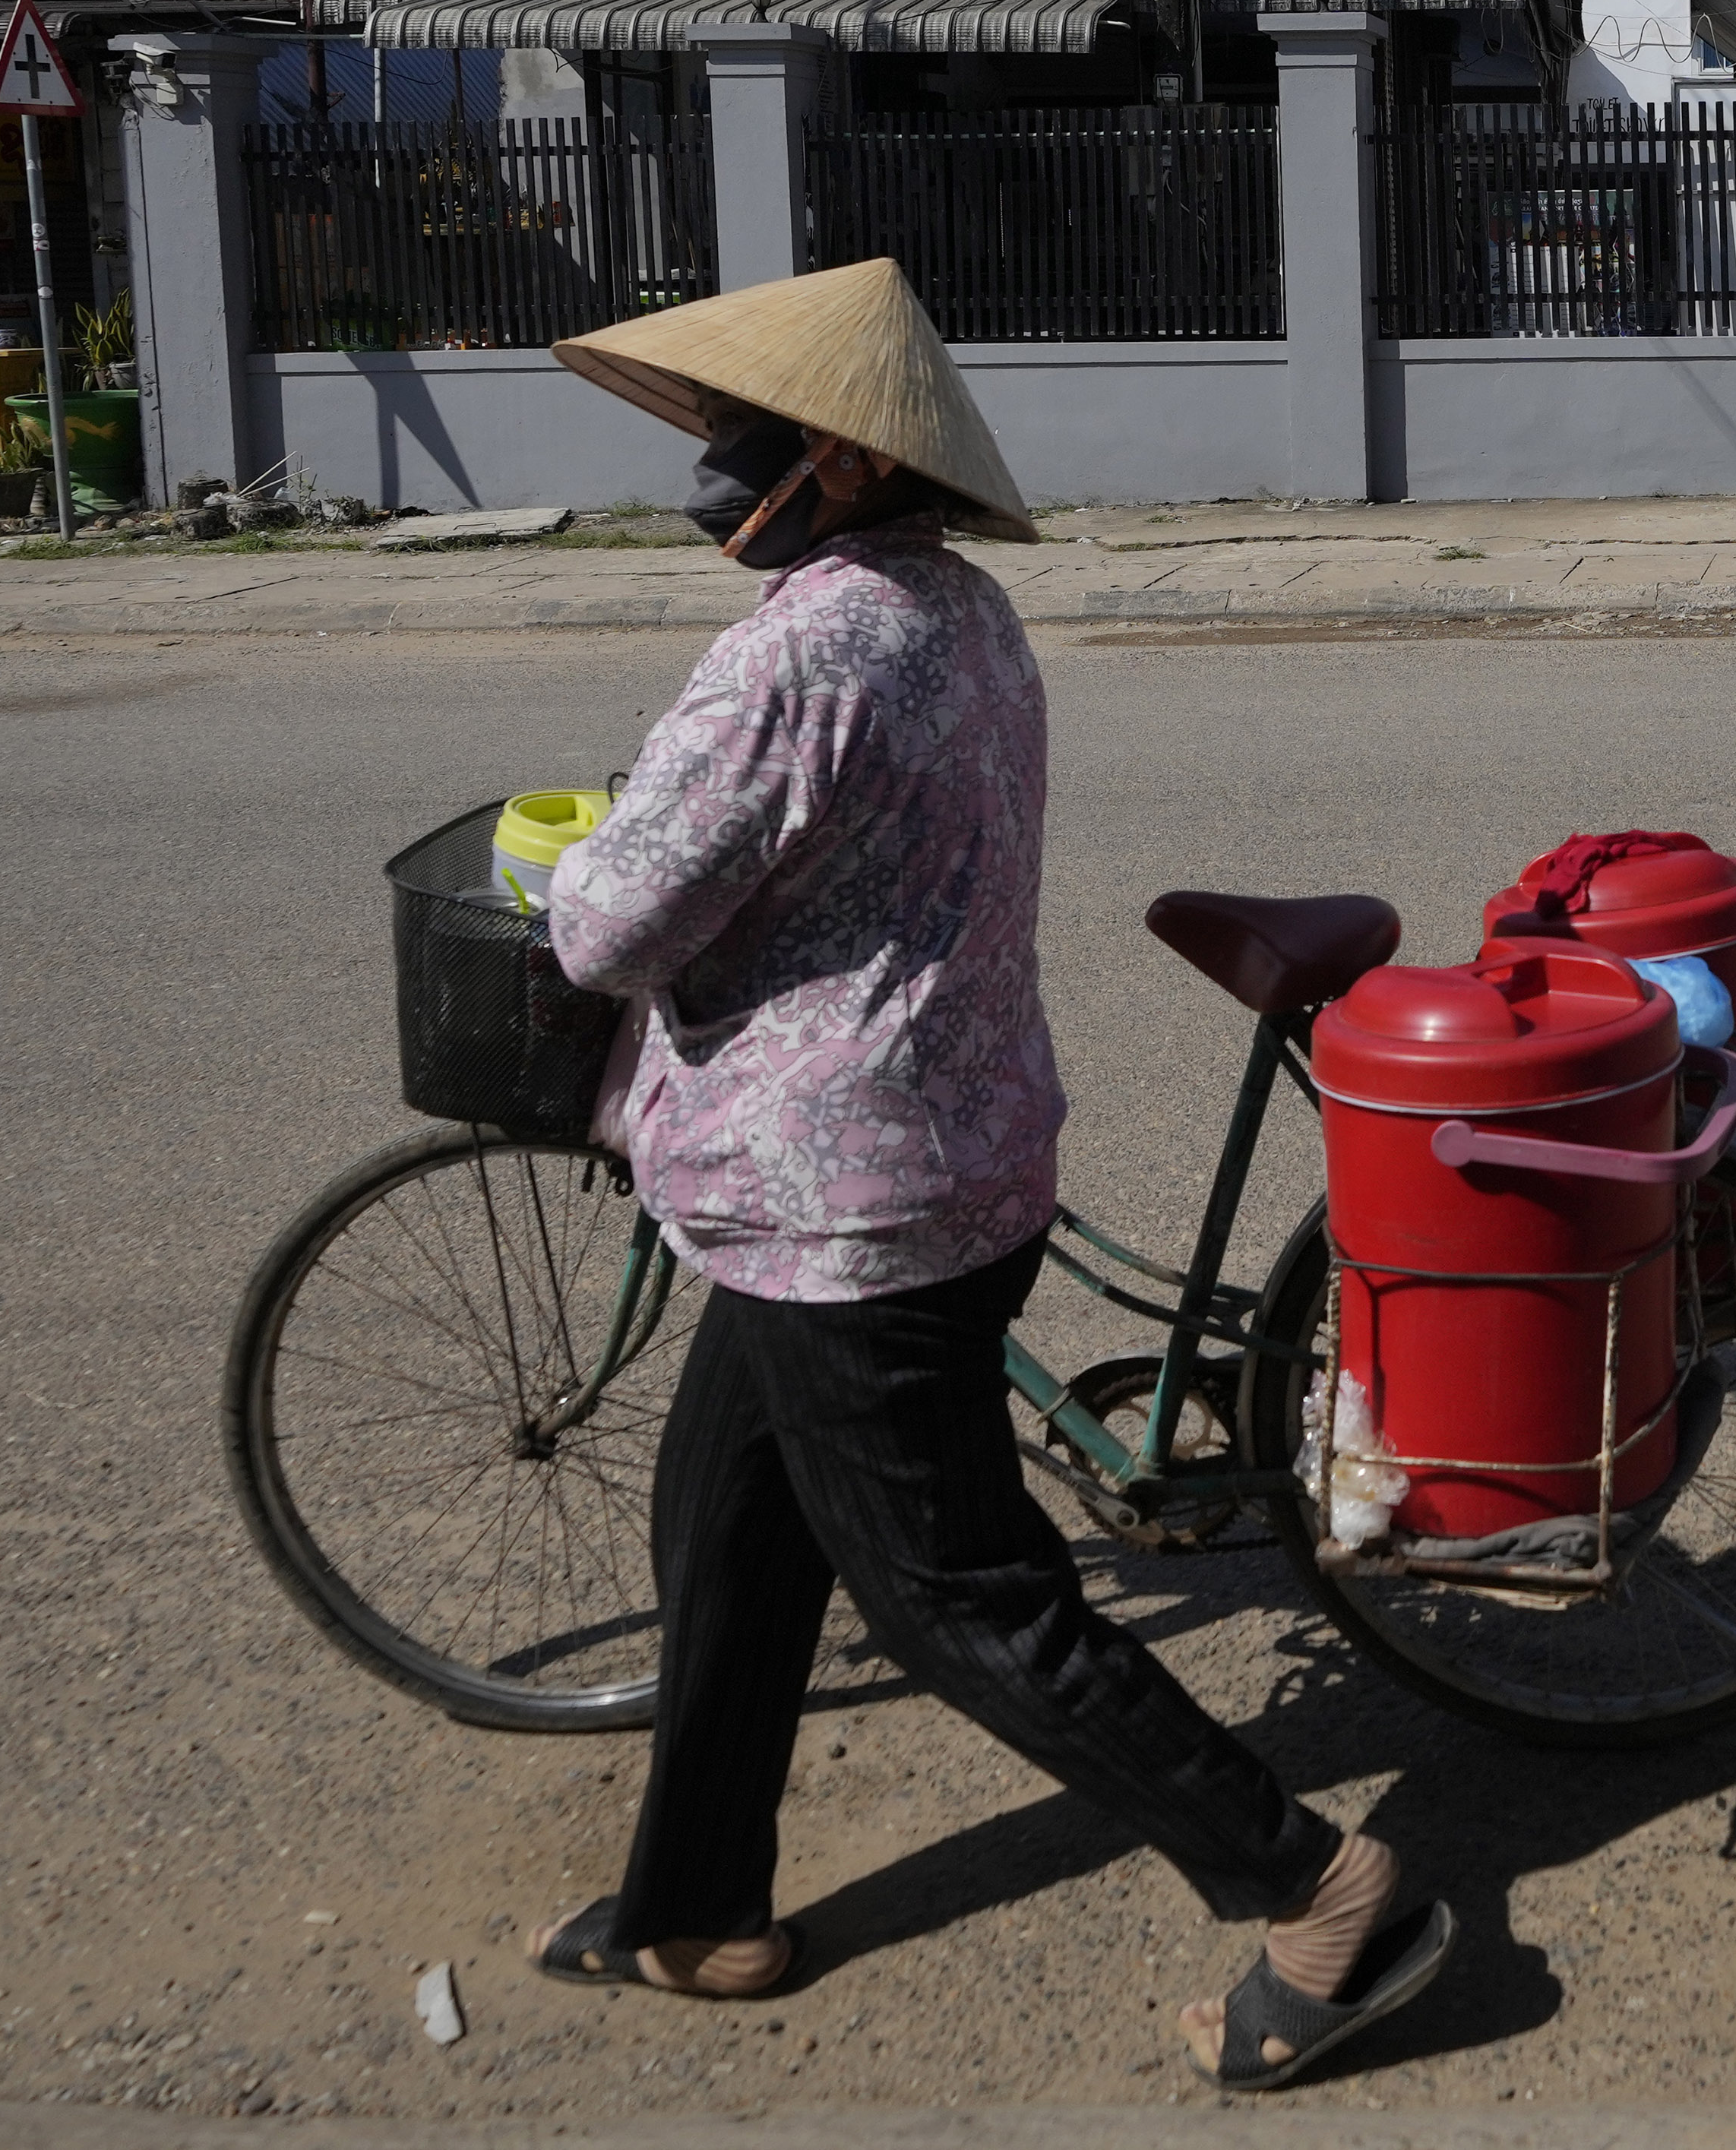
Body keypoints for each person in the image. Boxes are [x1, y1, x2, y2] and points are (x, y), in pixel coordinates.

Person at [517, 256, 1453, 2089]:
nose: (715, 467)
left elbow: (613, 923)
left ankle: (1329, 1892)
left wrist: (554, 871)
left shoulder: (800, 645)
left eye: (745, 437)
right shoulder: (957, 610)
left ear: (849, 467)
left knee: (964, 1604)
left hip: (847, 1200)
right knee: (723, 1531)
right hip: (918, 1147)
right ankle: (695, 1903)